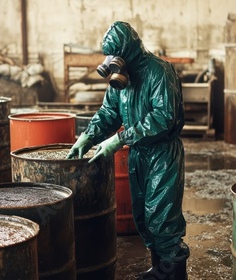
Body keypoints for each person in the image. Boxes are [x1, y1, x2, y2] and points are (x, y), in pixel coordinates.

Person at [66, 21, 189, 279]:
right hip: (139, 155)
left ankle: (173, 274)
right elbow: (109, 112)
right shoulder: (124, 80)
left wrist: (119, 138)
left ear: (129, 50)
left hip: (162, 155)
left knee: (163, 220)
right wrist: (88, 135)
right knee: (144, 217)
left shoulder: (159, 71)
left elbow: (164, 118)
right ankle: (159, 270)